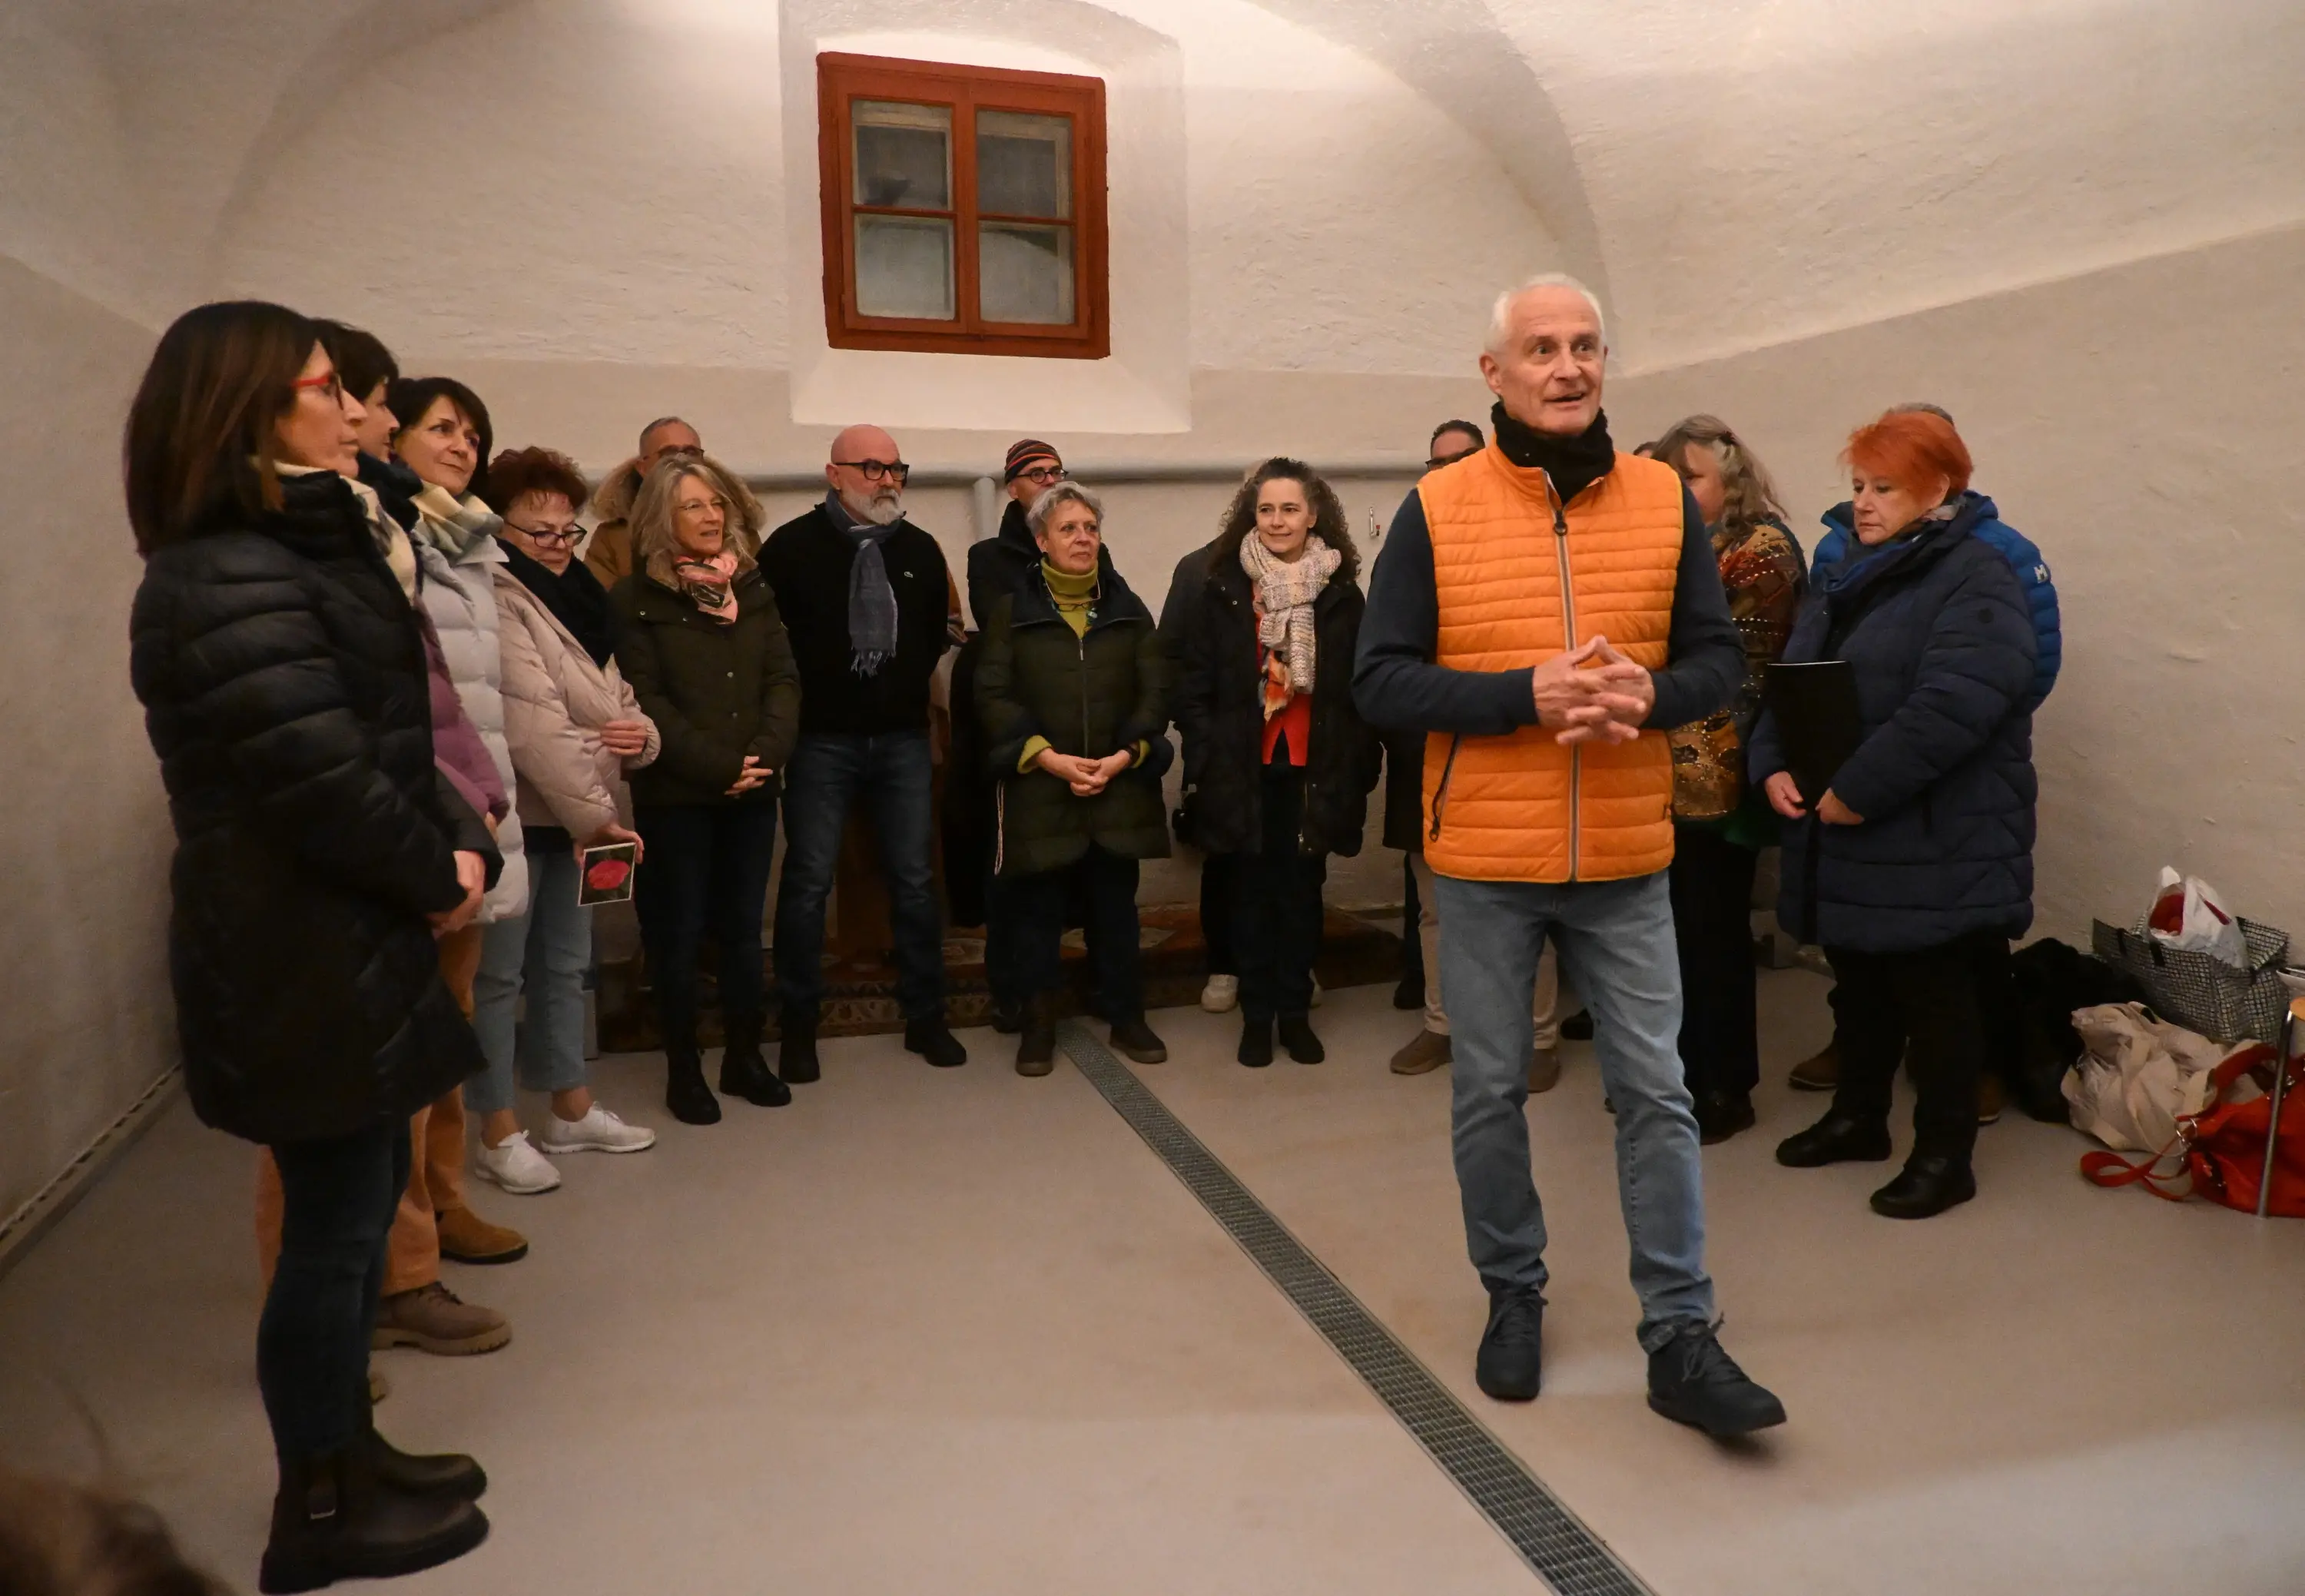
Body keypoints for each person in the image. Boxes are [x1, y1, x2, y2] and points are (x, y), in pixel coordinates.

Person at [1354, 274, 1784, 1435]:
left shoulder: (1660, 499)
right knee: (1491, 1091)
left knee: (1657, 1092)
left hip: (1628, 855)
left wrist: (1649, 696)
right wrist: (1518, 696)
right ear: (1493, 373)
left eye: (1586, 345)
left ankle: (1682, 1336)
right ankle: (1512, 1294)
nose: (1567, 366)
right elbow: (1378, 677)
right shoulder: (1436, 508)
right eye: (1540, 347)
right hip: (1487, 860)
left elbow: (1714, 665)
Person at [127, 301, 491, 1589]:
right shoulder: (219, 574)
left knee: (348, 1221)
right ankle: (317, 1509)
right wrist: (432, 866)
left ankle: (356, 1449)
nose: (358, 413)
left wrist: (456, 835)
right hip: (296, 949)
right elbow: (316, 773)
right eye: (329, 392)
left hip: (342, 935)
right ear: (249, 416)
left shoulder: (293, 548)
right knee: (332, 1237)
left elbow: (395, 728)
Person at [248, 326, 515, 1368]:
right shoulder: (275, 553)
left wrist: (470, 810)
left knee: (422, 1077)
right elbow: (323, 740)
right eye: (359, 398)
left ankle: (416, 1256)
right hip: (367, 864)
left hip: (439, 824)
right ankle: (330, 1354)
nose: (383, 422)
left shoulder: (389, 528)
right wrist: (432, 840)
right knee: (326, 1128)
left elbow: (430, 697)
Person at [1755, 409, 2038, 1219]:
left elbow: (1954, 706)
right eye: (1858, 487)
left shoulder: (1975, 576)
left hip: (1931, 833)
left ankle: (1946, 1154)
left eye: (1885, 488)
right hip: (1848, 830)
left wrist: (1857, 789)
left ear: (1941, 488)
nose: (1866, 503)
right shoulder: (1850, 570)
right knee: (1863, 989)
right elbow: (1795, 675)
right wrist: (1771, 762)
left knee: (1936, 1000)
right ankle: (1858, 1118)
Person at [468, 446, 662, 1190]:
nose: (557, 543)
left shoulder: (584, 592)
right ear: (501, 531)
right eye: (538, 531)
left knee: (564, 965)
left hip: (586, 814)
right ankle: (496, 1128)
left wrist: (641, 737)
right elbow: (533, 724)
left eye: (566, 528)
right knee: (499, 974)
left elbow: (616, 702)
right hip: (524, 813)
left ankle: (571, 1109)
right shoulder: (496, 594)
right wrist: (600, 816)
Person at [381, 375, 536, 1279]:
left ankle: (444, 1201)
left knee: (453, 1023)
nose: (463, 445)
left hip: (476, 804)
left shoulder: (467, 541)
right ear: (392, 436)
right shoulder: (391, 541)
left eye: (474, 432)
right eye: (443, 428)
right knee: (408, 1041)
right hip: (424, 812)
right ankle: (405, 1245)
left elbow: (476, 695)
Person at [761, 426, 969, 1076]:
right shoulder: (791, 548)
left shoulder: (918, 548)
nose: (887, 479)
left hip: (902, 737)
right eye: (872, 467)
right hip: (822, 741)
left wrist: (899, 681)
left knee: (913, 880)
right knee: (807, 882)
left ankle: (926, 1017)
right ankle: (799, 1026)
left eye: (896, 467)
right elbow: (769, 643)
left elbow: (939, 629)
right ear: (834, 473)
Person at [609, 453, 801, 1123]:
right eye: (693, 505)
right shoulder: (635, 599)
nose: (711, 516)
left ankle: (745, 1057)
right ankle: (684, 1069)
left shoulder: (752, 587)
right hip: (679, 796)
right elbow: (647, 699)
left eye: (717, 502)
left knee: (745, 932)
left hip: (752, 789)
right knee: (679, 934)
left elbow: (783, 678)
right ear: (663, 517)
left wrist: (765, 756)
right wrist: (721, 765)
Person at [1177, 459, 1381, 1067]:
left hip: (1313, 768)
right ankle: (1257, 1016)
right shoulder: (1223, 586)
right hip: (1242, 767)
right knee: (1249, 894)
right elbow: (1192, 679)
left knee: (1301, 893)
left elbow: (1359, 689)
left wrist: (1355, 759)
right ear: (1251, 514)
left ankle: (1294, 1012)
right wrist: (1207, 747)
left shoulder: (1341, 594)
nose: (1277, 520)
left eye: (1290, 509)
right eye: (1266, 509)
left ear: (1313, 515)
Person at [1387, 418, 1568, 1090]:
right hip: (1432, 759)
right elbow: (1386, 667)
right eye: (1437, 463)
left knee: (1532, 911)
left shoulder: (1518, 542)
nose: (1449, 471)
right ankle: (1442, 1024)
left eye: (1463, 459)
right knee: (1436, 909)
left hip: (1518, 754)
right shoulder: (1412, 542)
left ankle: (1539, 1033)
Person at [975, 482, 1172, 1071]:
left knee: (1116, 911)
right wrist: (1045, 756)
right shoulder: (1015, 611)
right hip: (1042, 784)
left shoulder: (1128, 607)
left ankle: (1127, 1015)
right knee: (1037, 916)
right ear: (1041, 542)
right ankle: (1039, 1025)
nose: (1083, 537)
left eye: (1090, 527)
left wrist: (1124, 755)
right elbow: (992, 693)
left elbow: (1155, 688)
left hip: (1117, 783)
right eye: (1068, 528)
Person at [1649, 415, 1807, 1143]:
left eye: (1691, 476)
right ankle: (1675, 1074)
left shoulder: (1762, 550)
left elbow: (1734, 670)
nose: (1676, 489)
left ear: (1730, 480)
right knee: (1665, 934)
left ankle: (1724, 1085)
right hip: (1660, 771)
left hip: (1724, 772)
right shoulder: (1679, 545)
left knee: (1712, 934)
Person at [952, 439, 1119, 1030]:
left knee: (1092, 877)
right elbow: (1016, 639)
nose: (1049, 480)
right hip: (1024, 740)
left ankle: (1099, 991)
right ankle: (1015, 994)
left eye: (1057, 471)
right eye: (1035, 473)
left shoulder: (1094, 549)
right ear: (1011, 486)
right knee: (1016, 877)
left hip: (1088, 732)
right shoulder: (988, 555)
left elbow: (1114, 627)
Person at [583, 415, 702, 587]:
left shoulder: (733, 527)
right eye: (668, 454)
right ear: (643, 468)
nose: (682, 461)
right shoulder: (613, 538)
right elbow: (602, 605)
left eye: (691, 453)